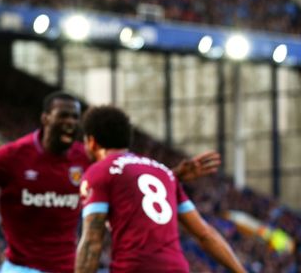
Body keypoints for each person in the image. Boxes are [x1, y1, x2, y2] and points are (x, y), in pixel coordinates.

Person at [0, 91, 220, 273]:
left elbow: (132, 180)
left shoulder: (86, 160)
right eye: (63, 116)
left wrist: (174, 174)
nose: (70, 123)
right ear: (45, 118)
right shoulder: (11, 157)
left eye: (75, 118)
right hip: (22, 269)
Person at [76, 105, 245, 273]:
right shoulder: (163, 172)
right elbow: (205, 234)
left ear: (91, 142)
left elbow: (92, 241)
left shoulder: (99, 172)